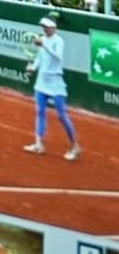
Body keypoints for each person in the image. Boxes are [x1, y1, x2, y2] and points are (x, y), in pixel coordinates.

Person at [25, 18, 80, 160]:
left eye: (47, 27)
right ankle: (38, 143)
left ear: (54, 28)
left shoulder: (59, 41)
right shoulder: (42, 39)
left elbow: (57, 58)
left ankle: (74, 146)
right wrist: (33, 68)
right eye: (43, 26)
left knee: (61, 115)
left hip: (56, 83)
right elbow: (39, 58)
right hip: (41, 82)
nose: (45, 29)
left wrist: (44, 45)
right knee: (40, 112)